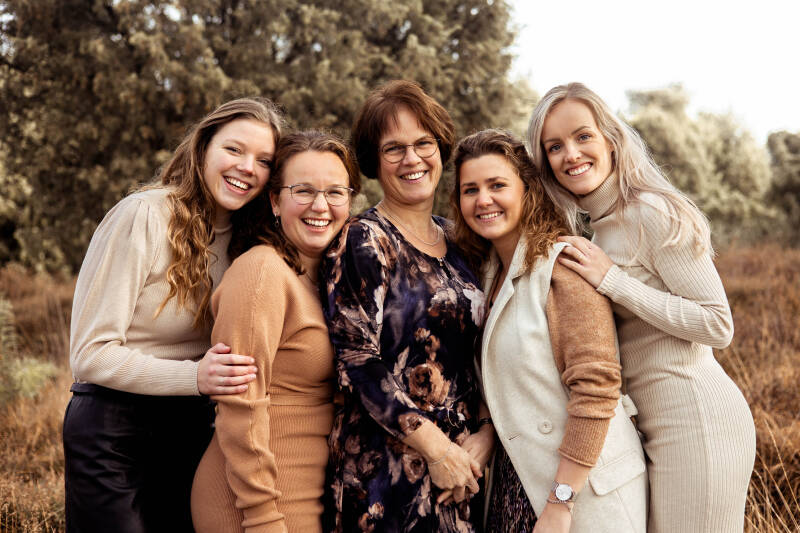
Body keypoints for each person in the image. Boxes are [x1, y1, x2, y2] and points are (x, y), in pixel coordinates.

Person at [527, 82, 757, 532]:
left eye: (583, 136)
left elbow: (717, 323)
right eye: (554, 146)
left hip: (699, 422)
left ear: (611, 140)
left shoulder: (651, 211)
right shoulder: (600, 230)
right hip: (654, 428)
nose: (571, 154)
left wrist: (614, 281)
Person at [62, 97, 283, 533]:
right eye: (234, 149)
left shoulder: (252, 240)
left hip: (192, 429)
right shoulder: (144, 215)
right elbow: (90, 355)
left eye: (264, 161)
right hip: (114, 431)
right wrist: (194, 376)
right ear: (203, 148)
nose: (247, 168)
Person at [451, 129, 648, 533]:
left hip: (580, 491)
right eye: (470, 189)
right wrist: (486, 432)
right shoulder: (484, 273)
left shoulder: (563, 267)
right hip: (517, 483)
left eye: (497, 185)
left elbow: (596, 390)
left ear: (528, 190)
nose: (483, 199)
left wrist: (561, 500)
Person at [320, 80, 494, 532]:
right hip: (386, 477)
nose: (412, 159)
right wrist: (437, 449)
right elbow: (357, 362)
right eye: (393, 149)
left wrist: (484, 436)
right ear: (374, 162)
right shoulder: (364, 239)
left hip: (463, 471)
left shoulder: (462, 240)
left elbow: (482, 356)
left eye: (423, 143)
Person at [190, 130, 360, 533]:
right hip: (255, 502)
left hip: (307, 491)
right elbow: (240, 403)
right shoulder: (261, 271)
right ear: (274, 201)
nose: (320, 206)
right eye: (303, 191)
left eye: (335, 192)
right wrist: (262, 515)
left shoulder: (328, 280)